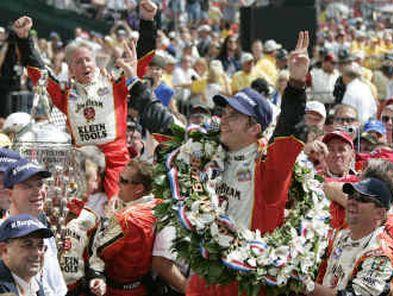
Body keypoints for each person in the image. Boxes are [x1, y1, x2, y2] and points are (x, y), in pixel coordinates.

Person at [129, 31, 310, 295]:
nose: (223, 119)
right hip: (204, 281)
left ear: (254, 128)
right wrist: (134, 82)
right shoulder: (207, 152)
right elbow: (167, 128)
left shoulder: (269, 167)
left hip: (246, 284)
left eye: (234, 116)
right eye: (224, 112)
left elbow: (288, 132)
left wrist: (295, 83)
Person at [12, 0, 157, 200]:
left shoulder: (114, 82)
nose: (85, 64)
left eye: (88, 59)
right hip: (83, 168)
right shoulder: (64, 93)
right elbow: (39, 74)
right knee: (74, 222)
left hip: (117, 165)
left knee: (117, 218)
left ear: (96, 63)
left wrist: (147, 20)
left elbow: (139, 64)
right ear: (71, 70)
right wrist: (24, 38)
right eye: (79, 62)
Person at [311, 177, 393, 295]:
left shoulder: (381, 256)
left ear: (379, 213)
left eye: (362, 199)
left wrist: (305, 286)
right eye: (351, 195)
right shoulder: (342, 234)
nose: (352, 201)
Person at [88, 159, 161, 296]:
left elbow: (99, 251)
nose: (117, 183)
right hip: (144, 287)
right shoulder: (158, 206)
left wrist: (107, 219)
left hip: (117, 290)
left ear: (139, 189)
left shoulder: (124, 219)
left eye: (123, 180)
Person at [3, 158, 67, 296]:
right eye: (27, 186)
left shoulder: (43, 229)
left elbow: (56, 287)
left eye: (40, 184)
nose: (37, 191)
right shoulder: (3, 236)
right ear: (9, 194)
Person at [0, 214, 53, 295]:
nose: (37, 253)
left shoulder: (36, 285)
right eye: (28, 245)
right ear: (4, 250)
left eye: (40, 245)